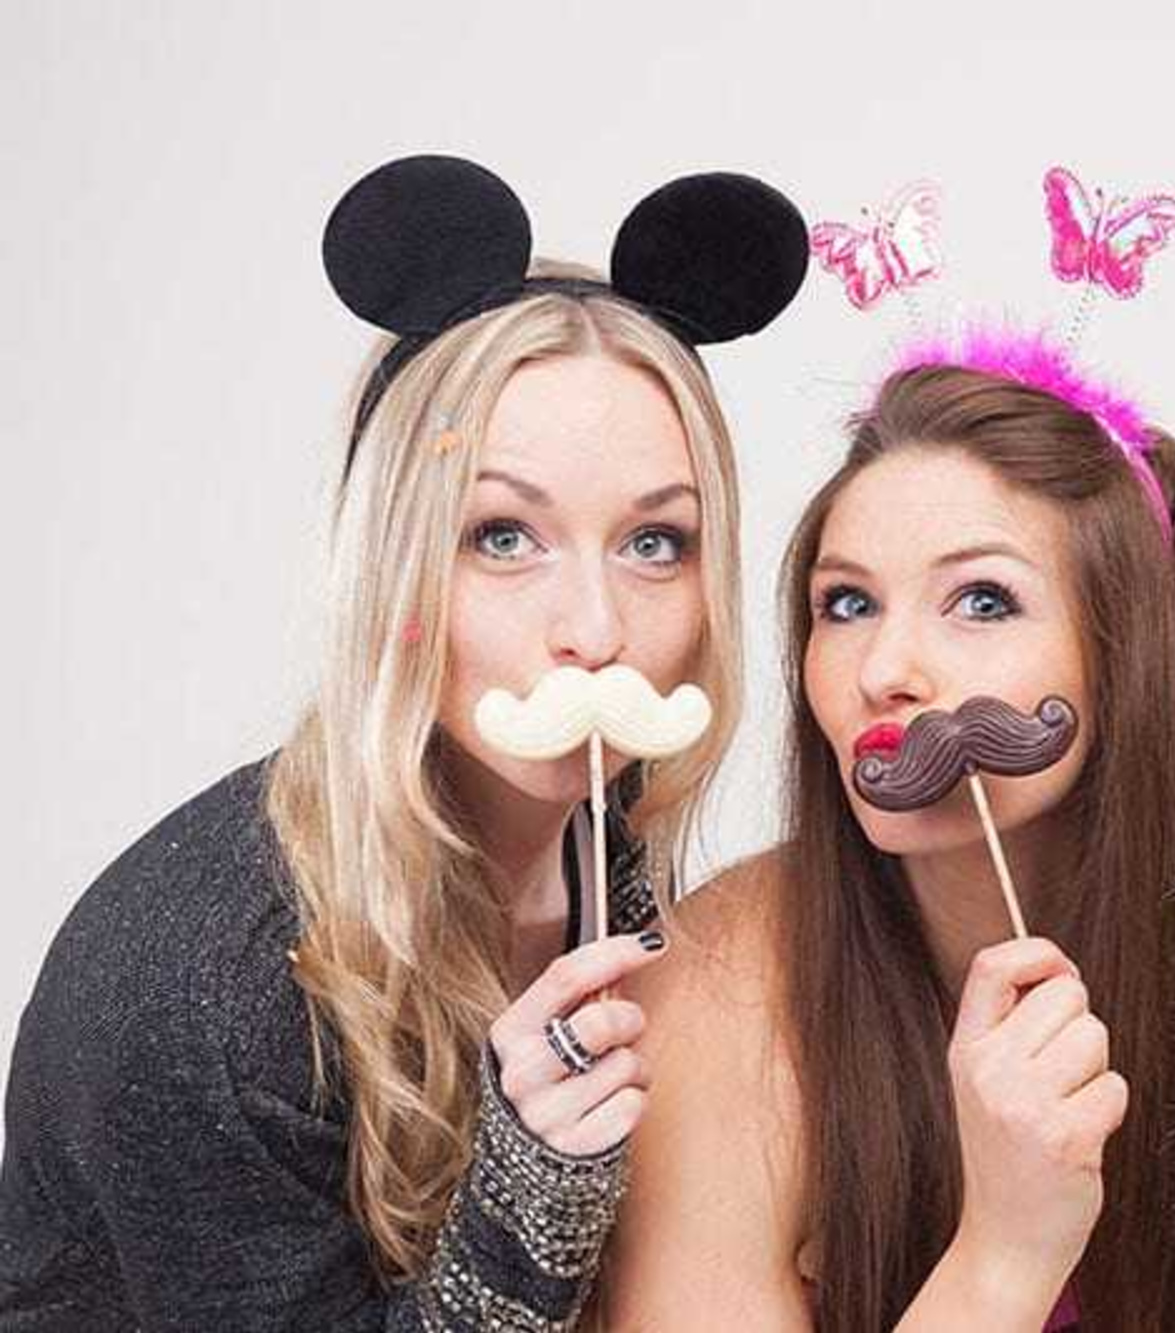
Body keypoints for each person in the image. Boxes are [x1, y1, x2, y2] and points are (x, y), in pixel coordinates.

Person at [0, 155, 808, 1329]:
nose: (594, 630)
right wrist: (535, 1191)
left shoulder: (595, 850)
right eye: (500, 536)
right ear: (388, 568)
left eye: (653, 544)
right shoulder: (209, 991)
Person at [598, 334, 1175, 1332]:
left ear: (1125, 656)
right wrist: (1005, 1250)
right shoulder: (724, 978)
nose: (885, 667)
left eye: (981, 600)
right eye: (846, 604)